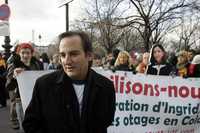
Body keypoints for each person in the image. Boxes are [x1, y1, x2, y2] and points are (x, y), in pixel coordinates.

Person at [22, 31, 116, 133]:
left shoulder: (106, 86)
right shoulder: (44, 85)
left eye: (73, 54)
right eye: (62, 55)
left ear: (89, 55)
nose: (66, 61)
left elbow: (107, 121)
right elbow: (30, 124)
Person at [6, 43, 42, 130]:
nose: (25, 55)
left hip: (35, 99)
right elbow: (8, 86)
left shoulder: (37, 64)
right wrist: (14, 77)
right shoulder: (14, 65)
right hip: (20, 100)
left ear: (31, 53)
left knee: (36, 125)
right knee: (24, 126)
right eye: (23, 53)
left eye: (28, 53)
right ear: (19, 53)